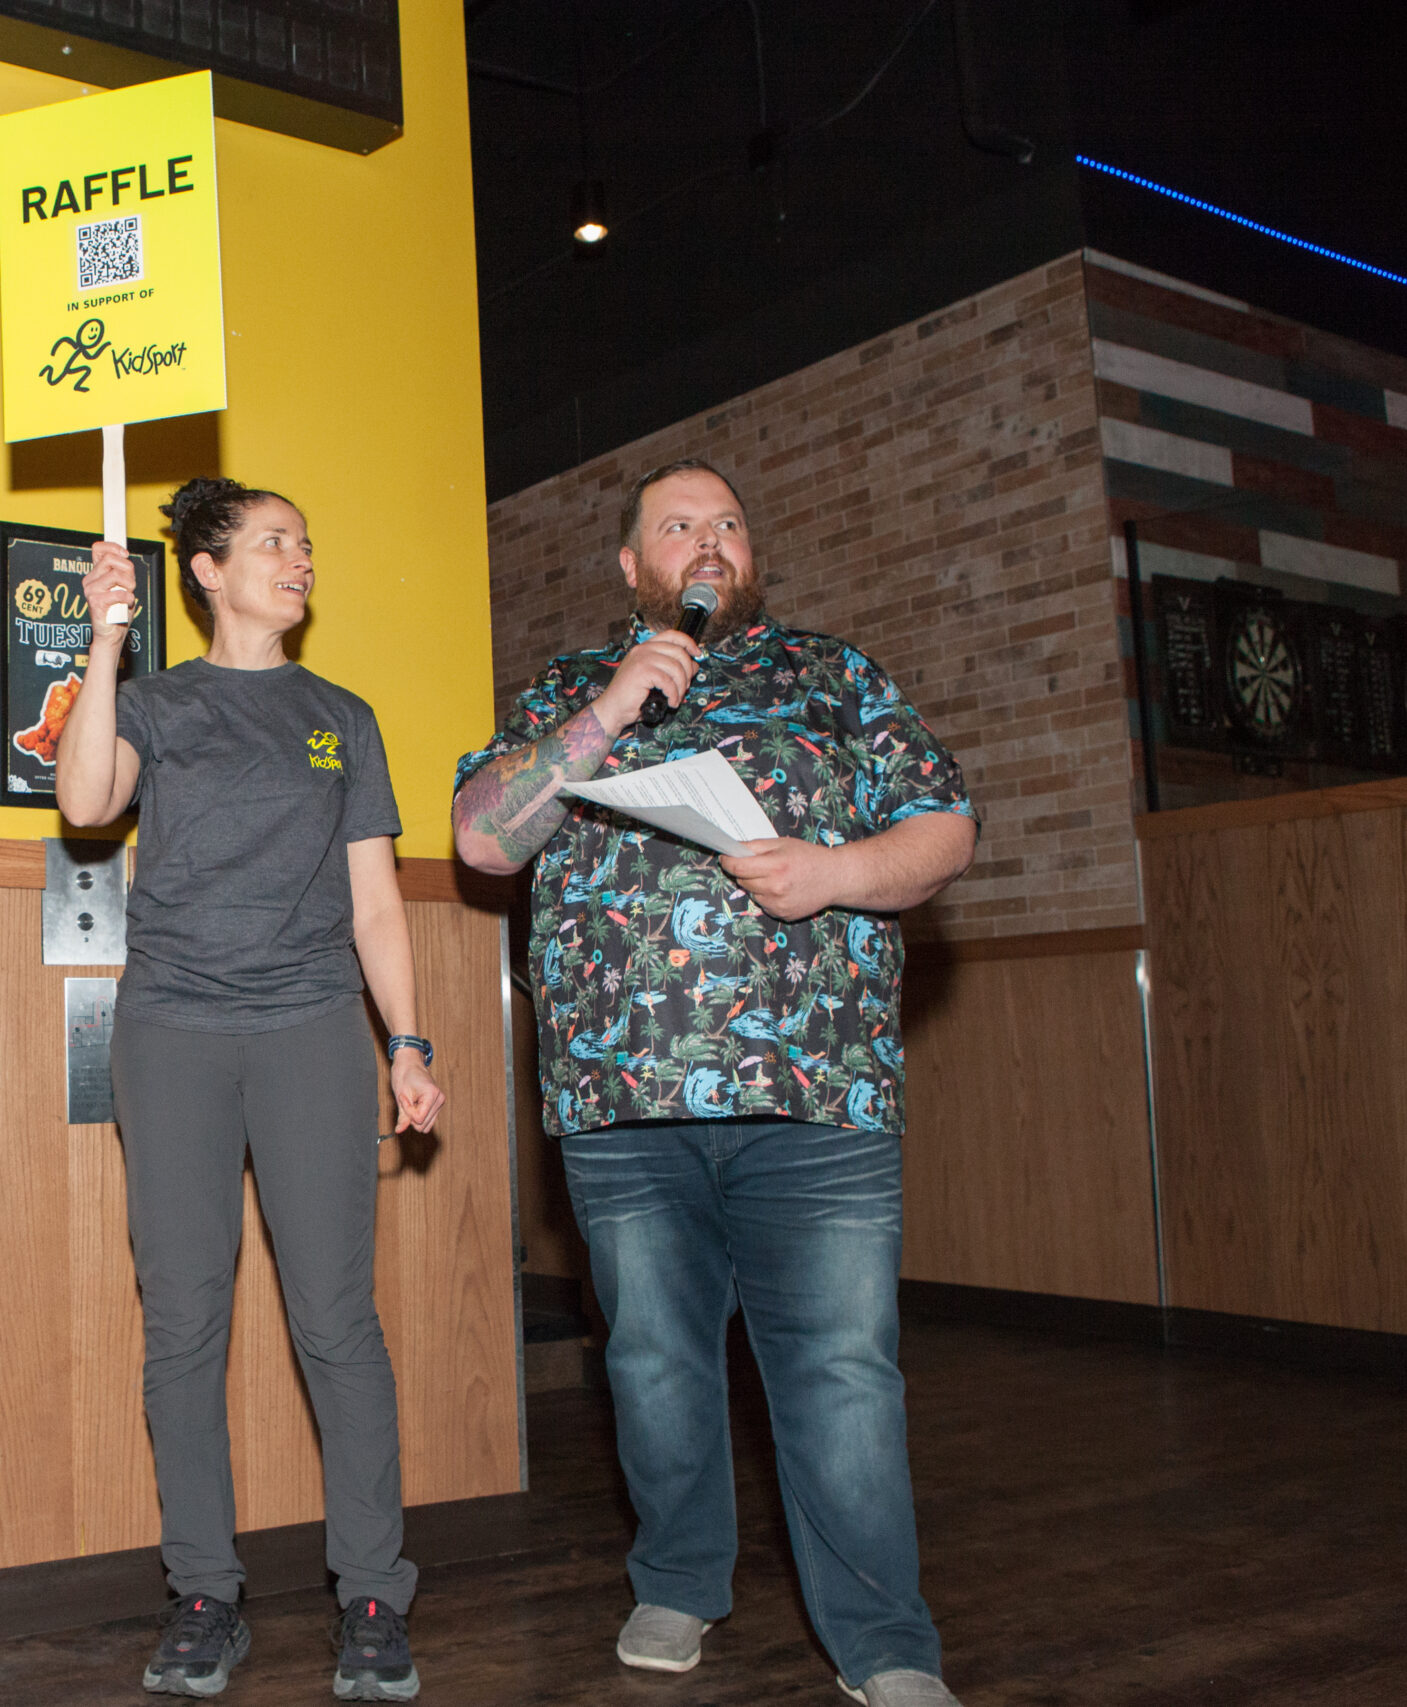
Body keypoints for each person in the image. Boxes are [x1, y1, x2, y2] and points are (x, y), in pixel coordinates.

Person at [450, 461, 977, 1707]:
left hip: (818, 1093)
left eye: (727, 524)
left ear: (750, 556)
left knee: (842, 1372)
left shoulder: (834, 677)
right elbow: (480, 837)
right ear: (631, 567)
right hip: (620, 1101)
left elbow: (944, 827)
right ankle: (678, 1581)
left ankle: (884, 1645)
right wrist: (611, 708)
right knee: (652, 1363)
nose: (707, 542)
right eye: (677, 525)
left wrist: (833, 875)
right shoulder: (570, 690)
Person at [53, 478, 448, 1702]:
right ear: (208, 571)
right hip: (171, 1031)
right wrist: (105, 640)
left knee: (336, 1319)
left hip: (310, 1030)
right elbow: (84, 803)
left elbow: (375, 903)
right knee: (184, 1323)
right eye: (274, 541)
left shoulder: (342, 718)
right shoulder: (155, 702)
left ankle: (372, 1593)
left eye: (306, 542)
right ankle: (203, 1593)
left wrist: (408, 1042)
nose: (300, 558)